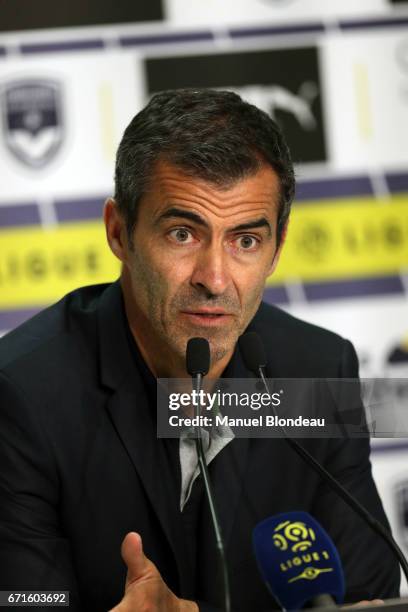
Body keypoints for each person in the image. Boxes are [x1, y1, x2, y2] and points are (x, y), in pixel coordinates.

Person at [0, 89, 399, 611]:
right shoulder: (23, 396)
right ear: (119, 232)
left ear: (277, 247)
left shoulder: (317, 370)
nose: (214, 279)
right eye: (183, 234)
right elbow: (28, 599)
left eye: (246, 241)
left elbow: (369, 597)